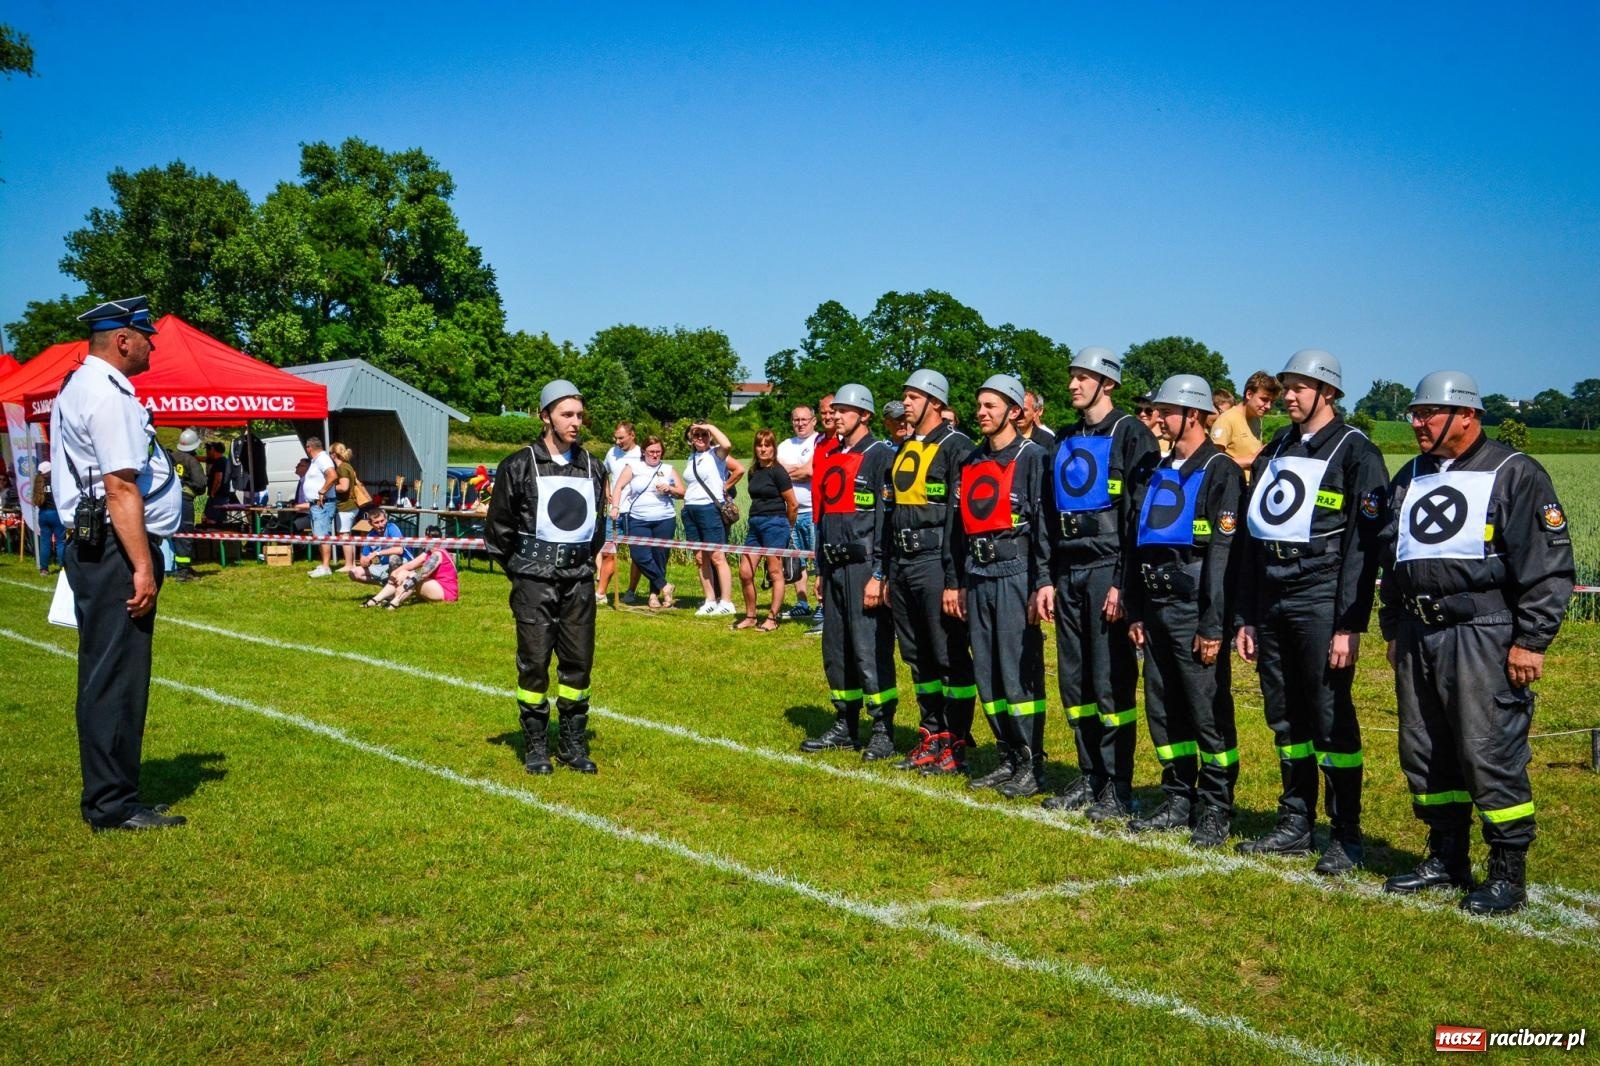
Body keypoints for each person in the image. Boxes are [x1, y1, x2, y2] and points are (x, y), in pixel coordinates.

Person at [1377, 371, 1574, 915]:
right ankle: (1446, 856)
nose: (1416, 423)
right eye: (1414, 414)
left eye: (1427, 414)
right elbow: (1393, 558)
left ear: (1466, 416)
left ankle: (1507, 870)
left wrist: (1530, 640)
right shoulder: (1410, 475)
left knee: (1487, 749)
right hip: (1419, 635)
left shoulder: (1515, 473)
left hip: (1483, 635)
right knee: (1425, 749)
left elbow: (1549, 567)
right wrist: (1394, 626)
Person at [1233, 351, 1389, 874]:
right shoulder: (1275, 445)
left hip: (1320, 597)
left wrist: (1348, 623)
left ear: (1328, 393)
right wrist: (1249, 615)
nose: (1289, 396)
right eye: (1286, 388)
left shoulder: (1355, 451)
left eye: (1300, 387)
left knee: (1329, 717)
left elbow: (1364, 550)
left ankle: (1345, 831)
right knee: (1285, 716)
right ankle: (1294, 820)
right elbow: (1258, 534)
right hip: (1273, 596)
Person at [48, 296, 186, 832]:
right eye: (147, 335)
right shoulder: (109, 396)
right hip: (113, 547)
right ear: (123, 340)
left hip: (99, 545)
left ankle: (112, 794)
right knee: (117, 676)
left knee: (108, 672)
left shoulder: (81, 387)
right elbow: (120, 487)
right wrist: (143, 567)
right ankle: (112, 804)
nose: (153, 344)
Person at [1124, 374, 1244, 847]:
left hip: (1193, 609)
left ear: (1192, 414)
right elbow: (1137, 543)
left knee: (1206, 710)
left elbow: (1222, 555)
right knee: (1164, 708)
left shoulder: (1221, 470)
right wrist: (1136, 609)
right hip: (1154, 607)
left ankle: (1216, 805)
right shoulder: (1156, 467)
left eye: (1166, 411)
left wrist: (1212, 624)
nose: (1157, 418)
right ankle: (1177, 795)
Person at [1039, 347, 1160, 818]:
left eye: (1082, 377)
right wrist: (1048, 578)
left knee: (1110, 683)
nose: (1072, 384)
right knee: (1075, 682)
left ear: (1107, 383)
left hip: (1108, 570)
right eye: (1071, 376)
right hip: (1068, 574)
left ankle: (1117, 784)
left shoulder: (1132, 434)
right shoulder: (1065, 437)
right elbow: (1049, 515)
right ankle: (1088, 775)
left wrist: (1123, 584)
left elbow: (1139, 518)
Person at [485, 379, 608, 775]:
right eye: (566, 414)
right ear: (545, 417)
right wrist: (524, 573)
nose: (575, 422)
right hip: (533, 581)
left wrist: (576, 565)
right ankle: (536, 744)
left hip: (579, 580)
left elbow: (597, 529)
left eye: (578, 415)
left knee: (578, 664)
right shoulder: (518, 465)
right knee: (534, 662)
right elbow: (498, 531)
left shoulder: (594, 466)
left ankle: (573, 743)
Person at [950, 374, 1053, 798]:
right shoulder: (972, 460)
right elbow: (958, 530)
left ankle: (1032, 761)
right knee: (987, 673)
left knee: (1017, 674)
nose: (981, 413)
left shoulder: (1034, 457)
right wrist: (957, 581)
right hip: (978, 574)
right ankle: (1006, 755)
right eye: (979, 406)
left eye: (991, 406)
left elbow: (1045, 527)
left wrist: (1041, 581)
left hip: (1016, 574)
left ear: (1014, 410)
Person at [883, 369, 978, 776]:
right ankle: (931, 732)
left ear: (935, 402)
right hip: (902, 564)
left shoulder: (958, 446)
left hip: (935, 563)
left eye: (914, 396)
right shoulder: (905, 447)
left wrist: (954, 579)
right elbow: (890, 514)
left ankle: (956, 737)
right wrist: (886, 571)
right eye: (905, 395)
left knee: (947, 654)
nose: (906, 403)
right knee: (917, 656)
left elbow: (960, 518)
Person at [798, 383, 899, 758]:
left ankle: (882, 728)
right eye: (834, 409)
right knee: (836, 649)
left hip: (863, 569)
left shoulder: (879, 456)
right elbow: (825, 517)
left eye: (844, 410)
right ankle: (845, 722)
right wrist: (822, 569)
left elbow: (886, 521)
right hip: (835, 567)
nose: (835, 415)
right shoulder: (833, 454)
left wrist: (879, 573)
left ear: (865, 416)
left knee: (869, 649)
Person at [734, 429, 797, 631]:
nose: (763, 449)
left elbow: (792, 504)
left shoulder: (778, 472)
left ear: (773, 448)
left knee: (774, 572)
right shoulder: (754, 472)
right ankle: (751, 616)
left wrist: (787, 527)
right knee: (745, 572)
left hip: (776, 524)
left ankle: (772, 618)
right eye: (759, 445)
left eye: (767, 445)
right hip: (755, 525)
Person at [610, 435, 682, 609]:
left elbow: (681, 491)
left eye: (658, 451)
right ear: (644, 452)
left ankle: (653, 596)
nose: (655, 455)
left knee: (659, 557)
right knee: (639, 555)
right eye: (651, 452)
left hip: (664, 519)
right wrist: (615, 507)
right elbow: (618, 486)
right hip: (638, 519)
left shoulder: (668, 469)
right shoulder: (633, 467)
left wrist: (669, 489)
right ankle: (665, 586)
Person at [682, 422, 744, 616]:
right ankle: (710, 599)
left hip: (709, 509)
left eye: (704, 434)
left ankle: (726, 601)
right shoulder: (692, 457)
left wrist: (709, 426)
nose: (700, 438)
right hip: (690, 509)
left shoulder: (716, 454)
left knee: (717, 556)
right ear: (691, 439)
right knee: (701, 558)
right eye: (696, 435)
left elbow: (727, 445)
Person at [777, 404, 821, 619]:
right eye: (796, 420)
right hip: (792, 512)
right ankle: (802, 603)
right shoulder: (785, 445)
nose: (800, 423)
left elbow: (811, 471)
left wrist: (792, 470)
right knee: (797, 561)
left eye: (805, 419)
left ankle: (823, 604)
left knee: (820, 561)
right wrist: (800, 470)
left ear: (814, 421)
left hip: (815, 511)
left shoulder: (820, 442)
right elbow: (777, 473)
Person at [804, 393, 840, 635]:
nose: (827, 416)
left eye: (831, 411)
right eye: (823, 412)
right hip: (819, 515)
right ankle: (825, 613)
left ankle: (835, 618)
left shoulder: (844, 442)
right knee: (822, 568)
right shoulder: (818, 442)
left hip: (838, 516)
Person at [597, 422, 642, 605]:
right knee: (608, 552)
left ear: (632, 435)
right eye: (615, 438)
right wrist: (607, 489)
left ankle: (631, 591)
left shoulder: (641, 454)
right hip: (614, 512)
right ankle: (601, 592)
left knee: (636, 554)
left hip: (635, 512)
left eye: (621, 438)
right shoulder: (611, 453)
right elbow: (604, 472)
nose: (617, 442)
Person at [1210, 371, 1282, 472]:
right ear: (1249, 394)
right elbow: (1213, 463)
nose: (1268, 406)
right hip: (1231, 485)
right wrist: (1251, 460)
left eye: (1272, 402)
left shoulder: (1257, 419)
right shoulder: (1227, 420)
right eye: (1264, 399)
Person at [363, 542, 459, 609]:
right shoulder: (429, 553)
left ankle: (395, 602)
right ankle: (375, 600)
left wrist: (406, 576)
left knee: (413, 575)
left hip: (446, 593)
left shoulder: (437, 554)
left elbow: (423, 574)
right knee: (403, 573)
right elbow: (411, 564)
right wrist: (396, 572)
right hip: (435, 587)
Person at [170, 427, 206, 579]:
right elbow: (201, 483)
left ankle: (174, 566)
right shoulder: (192, 461)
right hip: (185, 501)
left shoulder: (171, 457)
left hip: (170, 499)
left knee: (173, 532)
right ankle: (183, 571)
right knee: (185, 533)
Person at [349, 502, 412, 584]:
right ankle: (387, 584)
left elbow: (399, 550)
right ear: (370, 523)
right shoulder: (369, 536)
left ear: (386, 519)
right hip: (382, 566)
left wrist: (377, 553)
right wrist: (364, 561)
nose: (381, 525)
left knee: (394, 558)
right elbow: (363, 557)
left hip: (404, 563)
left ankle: (392, 586)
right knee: (354, 573)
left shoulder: (392, 528)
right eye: (376, 522)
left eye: (382, 521)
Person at [302, 437, 338, 578]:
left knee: (323, 535)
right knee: (319, 535)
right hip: (315, 505)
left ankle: (326, 567)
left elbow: (332, 476)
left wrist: (323, 490)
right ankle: (323, 564)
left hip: (323, 504)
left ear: (309, 447)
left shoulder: (323, 459)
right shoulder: (316, 461)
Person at [329, 441, 361, 572]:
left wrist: (330, 486)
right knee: (348, 534)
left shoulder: (342, 468)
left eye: (330, 453)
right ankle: (352, 563)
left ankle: (348, 564)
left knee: (344, 534)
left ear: (334, 455)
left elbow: (344, 487)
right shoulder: (348, 466)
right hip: (351, 506)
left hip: (345, 506)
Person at [31, 460, 67, 575]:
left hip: (43, 514)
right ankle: (63, 567)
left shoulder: (38, 483)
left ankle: (44, 569)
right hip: (55, 513)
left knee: (45, 542)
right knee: (60, 541)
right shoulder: (55, 481)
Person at [202, 441, 229, 525]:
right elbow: (203, 458)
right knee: (220, 521)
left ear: (213, 449)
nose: (208, 452)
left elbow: (218, 479)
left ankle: (210, 537)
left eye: (209, 449)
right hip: (222, 496)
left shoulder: (219, 462)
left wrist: (213, 492)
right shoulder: (222, 460)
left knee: (210, 520)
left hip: (217, 496)